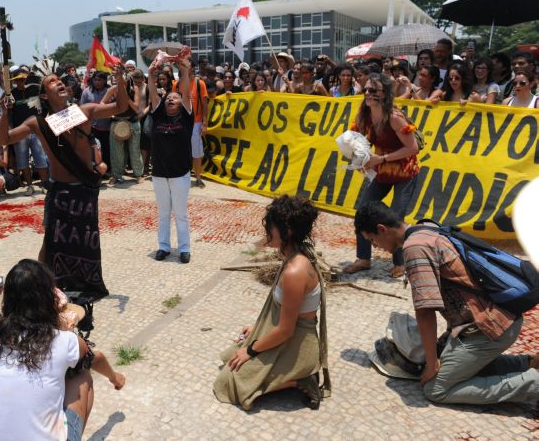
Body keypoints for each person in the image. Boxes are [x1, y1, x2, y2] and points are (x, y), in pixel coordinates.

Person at [354, 201, 539, 405]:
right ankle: (528, 363)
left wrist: (432, 363)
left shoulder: (415, 248)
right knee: (452, 364)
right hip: (498, 317)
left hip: (489, 328)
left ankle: (534, 384)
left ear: (382, 229)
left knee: (436, 388)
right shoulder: (426, 227)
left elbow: (425, 311)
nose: (374, 246)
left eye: (372, 240)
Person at [0, 58, 129, 301]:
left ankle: (84, 283)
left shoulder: (85, 111)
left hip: (84, 189)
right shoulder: (38, 123)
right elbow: (4, 140)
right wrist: (5, 111)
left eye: (59, 80)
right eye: (51, 82)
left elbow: (120, 107)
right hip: (59, 191)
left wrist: (120, 81)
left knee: (86, 240)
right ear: (44, 96)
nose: (59, 83)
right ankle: (37, 286)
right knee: (51, 240)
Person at [0, 259, 126, 440]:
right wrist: (116, 379)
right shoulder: (65, 340)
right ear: (49, 301)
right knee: (82, 376)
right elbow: (95, 358)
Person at [214, 195, 329, 410]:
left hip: (296, 342)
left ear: (288, 231)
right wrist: (257, 328)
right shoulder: (293, 254)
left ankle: (302, 379)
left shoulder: (295, 270)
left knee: (230, 381)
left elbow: (286, 330)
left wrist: (251, 351)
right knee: (231, 357)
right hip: (287, 333)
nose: (267, 231)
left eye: (271, 226)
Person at [344, 73, 419, 278]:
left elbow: (413, 148)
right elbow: (359, 141)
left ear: (384, 94)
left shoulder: (395, 117)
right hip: (383, 171)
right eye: (366, 89)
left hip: (405, 172)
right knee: (363, 210)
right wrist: (360, 159)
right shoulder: (365, 115)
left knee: (395, 215)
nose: (367, 94)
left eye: (373, 90)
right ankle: (363, 258)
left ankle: (400, 263)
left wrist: (381, 159)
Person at [147, 58, 193, 263]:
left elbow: (186, 91)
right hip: (159, 175)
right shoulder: (157, 116)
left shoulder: (186, 118)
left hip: (180, 174)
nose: (171, 100)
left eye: (175, 98)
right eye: (168, 99)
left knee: (181, 214)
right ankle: (163, 247)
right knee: (164, 213)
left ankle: (184, 249)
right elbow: (153, 93)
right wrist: (150, 75)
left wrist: (183, 70)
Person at [10, 68, 49, 195]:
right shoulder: (10, 94)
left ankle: (44, 184)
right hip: (20, 131)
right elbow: (8, 112)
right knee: (22, 160)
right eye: (19, 80)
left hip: (37, 130)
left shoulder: (35, 92)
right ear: (15, 81)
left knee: (41, 158)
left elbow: (45, 107)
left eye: (24, 79)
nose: (22, 82)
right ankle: (30, 185)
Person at [102, 68, 144, 184]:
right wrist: (109, 112)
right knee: (116, 152)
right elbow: (102, 103)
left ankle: (138, 174)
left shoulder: (134, 89)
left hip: (132, 122)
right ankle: (116, 175)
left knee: (134, 150)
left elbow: (136, 108)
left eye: (122, 79)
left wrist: (125, 96)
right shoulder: (113, 89)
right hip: (116, 123)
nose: (120, 81)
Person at [173, 60, 209, 188]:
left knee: (196, 152)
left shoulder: (200, 84)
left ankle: (198, 177)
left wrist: (205, 123)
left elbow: (205, 105)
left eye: (187, 65)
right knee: (180, 151)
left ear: (192, 67)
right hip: (180, 122)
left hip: (196, 122)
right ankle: (181, 177)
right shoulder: (176, 84)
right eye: (182, 65)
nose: (185, 68)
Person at [79, 71, 112, 176]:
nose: (97, 82)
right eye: (95, 79)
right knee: (95, 151)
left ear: (104, 80)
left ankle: (107, 171)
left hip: (108, 126)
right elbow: (82, 108)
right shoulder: (86, 92)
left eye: (100, 80)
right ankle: (96, 171)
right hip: (92, 127)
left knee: (107, 149)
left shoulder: (110, 91)